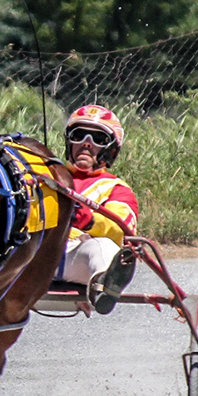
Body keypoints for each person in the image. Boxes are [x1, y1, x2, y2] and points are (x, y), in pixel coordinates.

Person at [59, 103, 139, 314]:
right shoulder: (45, 174)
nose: (87, 144)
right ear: (69, 141)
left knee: (104, 247)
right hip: (32, 254)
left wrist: (89, 221)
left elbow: (119, 230)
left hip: (74, 257)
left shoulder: (117, 188)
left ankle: (105, 286)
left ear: (110, 150)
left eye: (98, 139)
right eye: (79, 135)